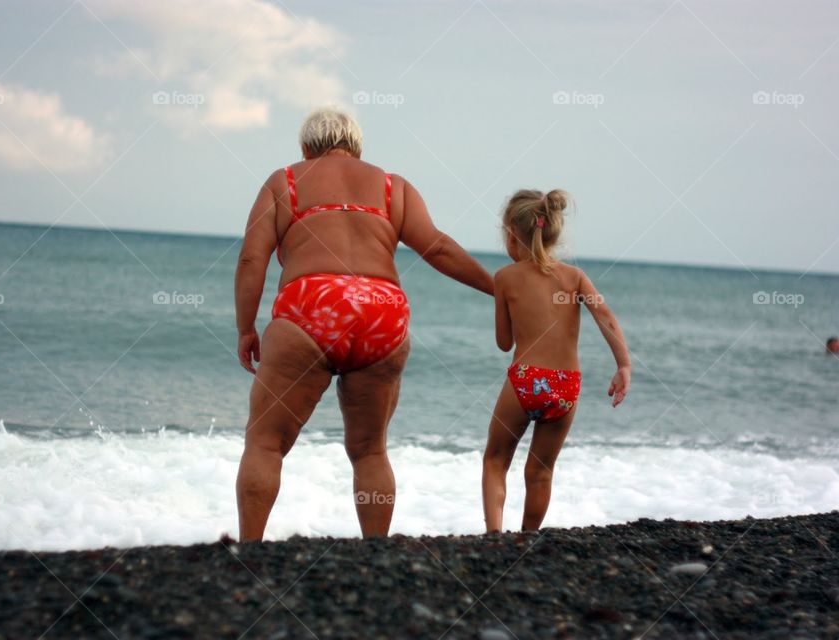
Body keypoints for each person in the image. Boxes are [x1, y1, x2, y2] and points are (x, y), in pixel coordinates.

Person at [234, 107, 493, 541]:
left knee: (266, 443)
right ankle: (376, 552)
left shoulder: (285, 182)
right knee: (370, 449)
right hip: (382, 311)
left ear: (304, 148)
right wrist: (497, 289)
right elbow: (439, 249)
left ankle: (249, 553)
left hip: (310, 306)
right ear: (357, 148)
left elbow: (251, 258)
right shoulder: (394, 186)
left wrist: (246, 328)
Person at [481, 189, 631, 533]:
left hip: (525, 380)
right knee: (541, 471)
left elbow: (504, 343)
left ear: (509, 235)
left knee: (496, 459)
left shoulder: (505, 277)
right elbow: (605, 316)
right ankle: (528, 538)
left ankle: (494, 537)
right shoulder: (575, 277)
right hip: (566, 385)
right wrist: (623, 365)